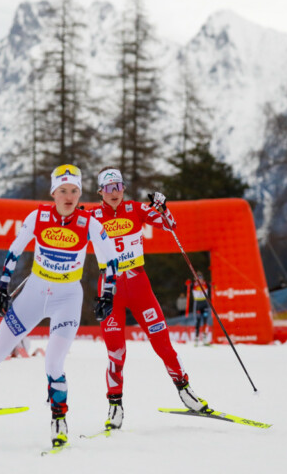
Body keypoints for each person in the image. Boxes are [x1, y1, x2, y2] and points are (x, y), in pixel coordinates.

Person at [0, 164, 119, 449]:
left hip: (67, 299)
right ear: (53, 193)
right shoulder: (38, 217)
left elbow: (111, 259)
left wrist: (108, 294)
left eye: (74, 191)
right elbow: (14, 250)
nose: (69, 197)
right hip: (33, 294)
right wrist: (2, 287)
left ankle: (59, 420)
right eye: (63, 190)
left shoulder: (90, 224)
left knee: (53, 363)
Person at [90, 166, 209, 431]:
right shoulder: (91, 216)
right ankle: (115, 404)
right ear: (100, 191)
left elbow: (170, 225)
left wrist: (163, 207)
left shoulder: (136, 209)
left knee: (163, 344)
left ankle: (185, 389)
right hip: (110, 291)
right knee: (116, 352)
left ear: (123, 188)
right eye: (108, 188)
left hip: (139, 287)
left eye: (118, 186)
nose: (114, 192)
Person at [192, 272, 211, 345]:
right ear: (195, 279)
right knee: (198, 321)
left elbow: (214, 287)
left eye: (201, 278)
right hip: (197, 304)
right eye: (198, 278)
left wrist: (214, 285)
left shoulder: (206, 284)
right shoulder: (193, 284)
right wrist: (187, 284)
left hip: (205, 304)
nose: (200, 280)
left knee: (205, 321)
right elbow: (185, 288)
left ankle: (205, 339)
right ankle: (196, 339)